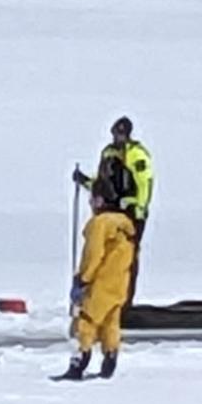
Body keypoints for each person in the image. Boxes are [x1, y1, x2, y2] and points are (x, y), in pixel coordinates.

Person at [56, 178, 137, 380]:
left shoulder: (100, 224)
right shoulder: (124, 225)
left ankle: (78, 363)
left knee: (85, 323)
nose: (90, 203)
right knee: (110, 323)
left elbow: (93, 254)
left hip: (99, 284)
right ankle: (110, 359)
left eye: (92, 199)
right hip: (119, 284)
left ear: (99, 200)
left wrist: (82, 279)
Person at [73, 116, 154, 303]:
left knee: (125, 257)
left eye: (122, 134)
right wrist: (85, 181)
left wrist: (138, 206)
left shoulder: (137, 155)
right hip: (109, 212)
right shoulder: (108, 153)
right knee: (103, 256)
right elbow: (102, 183)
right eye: (116, 134)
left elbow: (144, 183)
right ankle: (102, 299)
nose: (118, 137)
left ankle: (124, 301)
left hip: (130, 213)